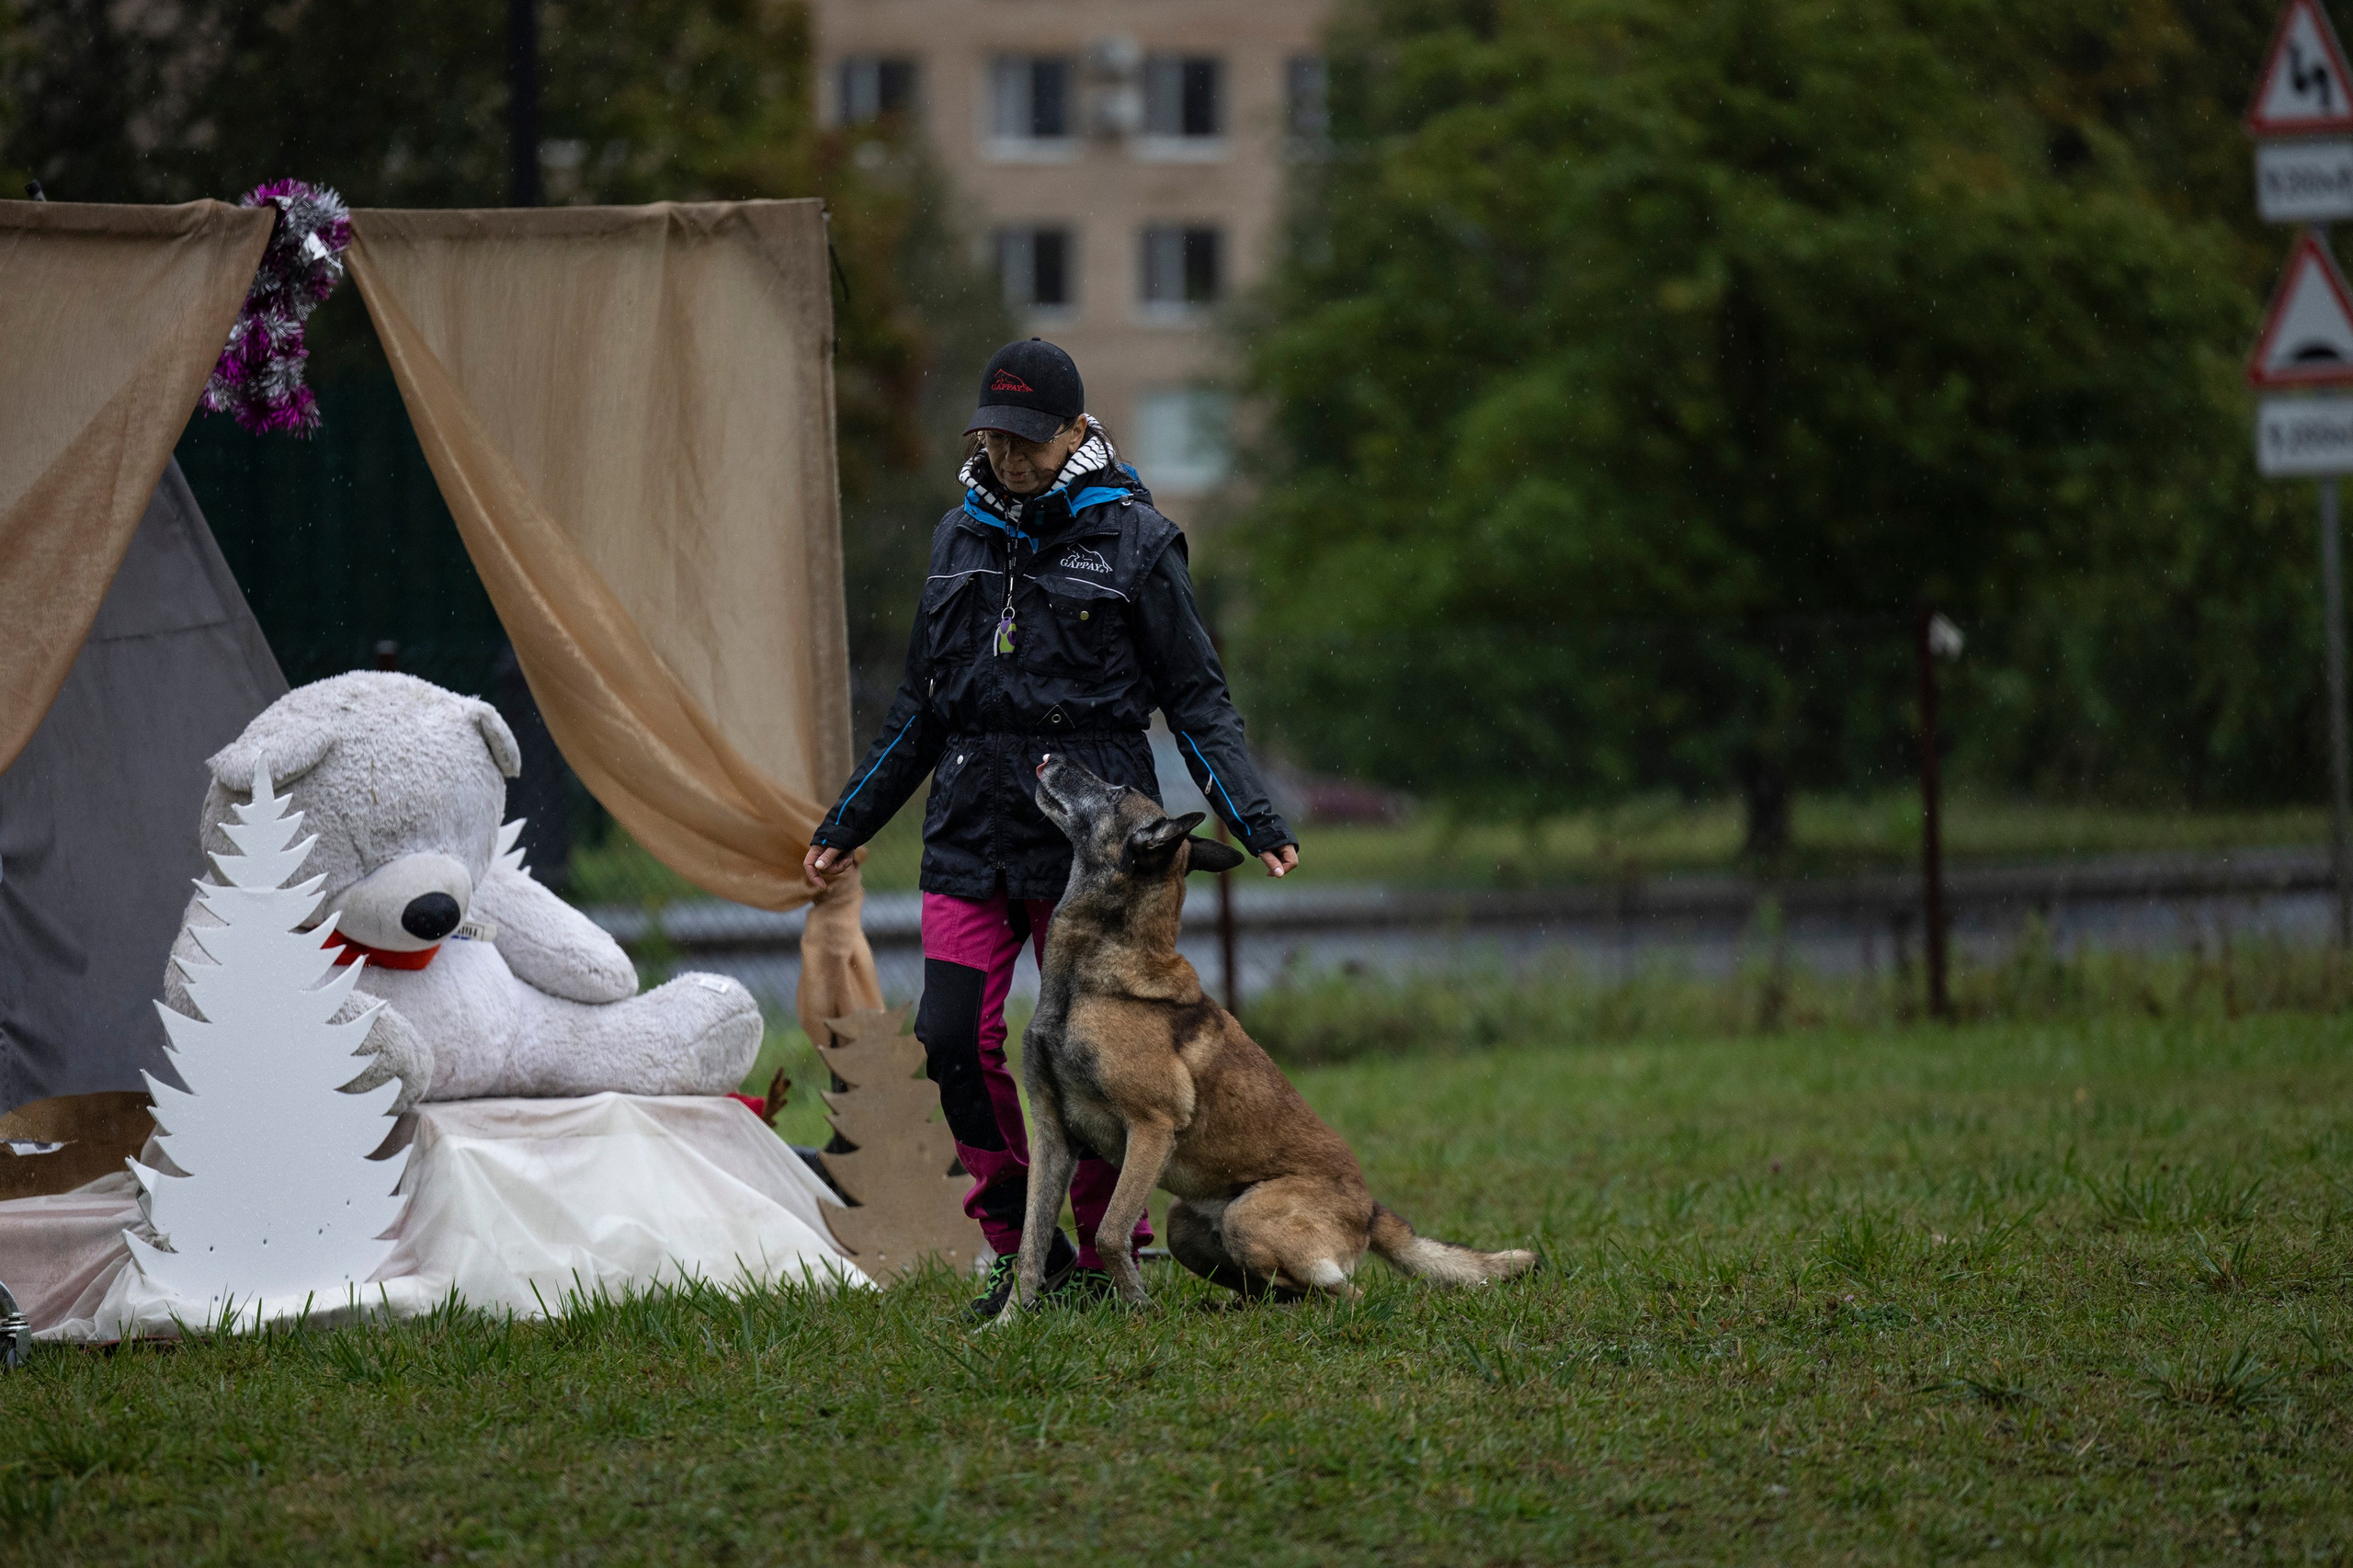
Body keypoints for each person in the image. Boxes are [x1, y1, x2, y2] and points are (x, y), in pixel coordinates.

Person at [803, 338, 1298, 1316]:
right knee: (951, 1037)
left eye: (1028, 440)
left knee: (1103, 1058)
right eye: (992, 438)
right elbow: (920, 704)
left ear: (1077, 430)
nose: (1009, 458)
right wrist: (850, 817)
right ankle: (1016, 1245)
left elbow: (1196, 698)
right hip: (966, 830)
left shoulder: (1138, 542)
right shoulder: (958, 536)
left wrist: (1252, 811)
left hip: (1095, 852)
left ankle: (1117, 1247)